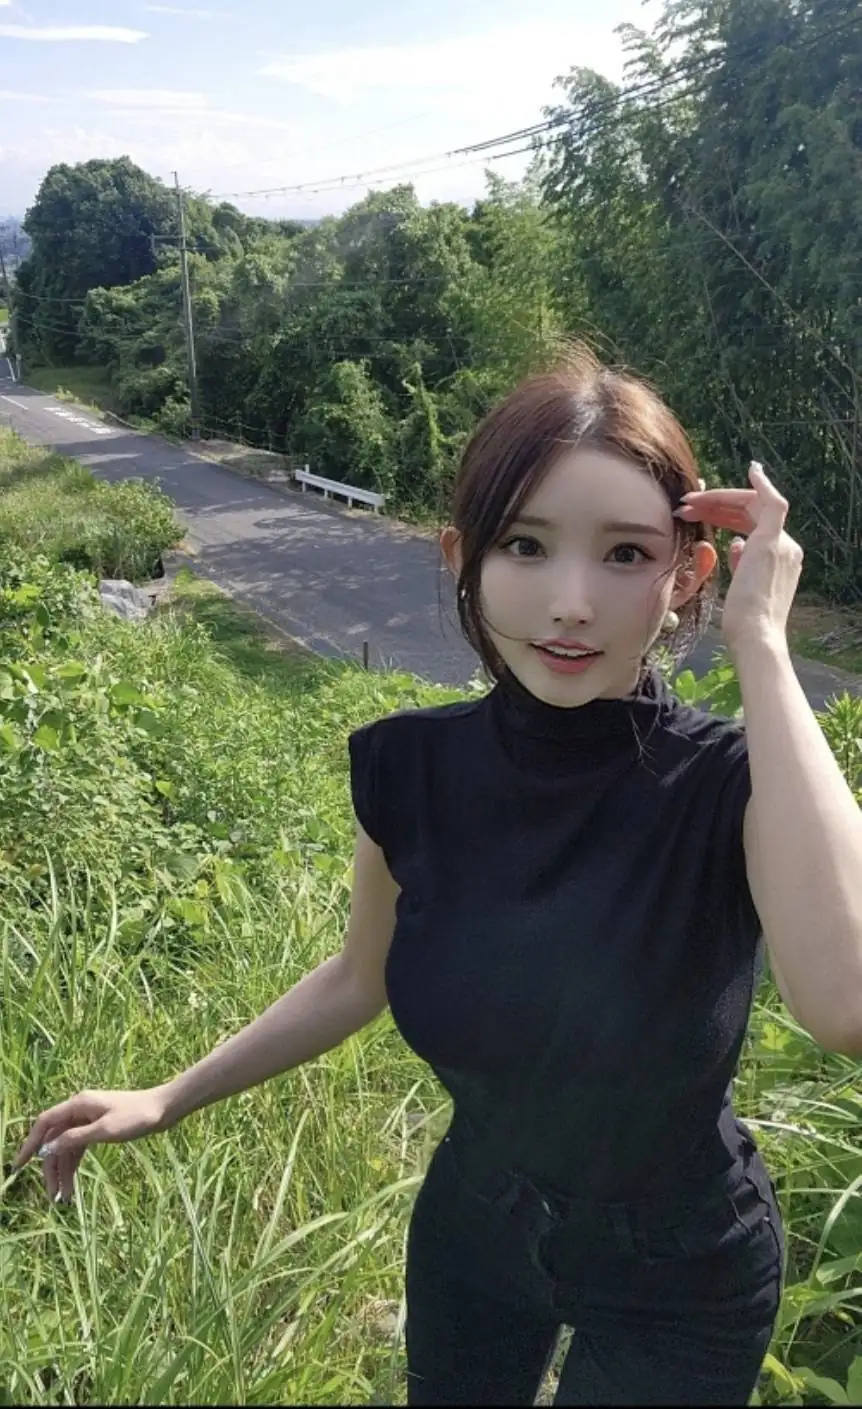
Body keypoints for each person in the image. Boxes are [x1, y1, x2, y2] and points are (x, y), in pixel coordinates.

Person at [14, 345, 791, 1405]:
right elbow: (357, 976)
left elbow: (845, 1000)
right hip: (479, 1222)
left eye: (625, 554)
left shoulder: (732, 782)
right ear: (464, 556)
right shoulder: (410, 766)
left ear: (686, 576)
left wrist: (764, 648)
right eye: (525, 544)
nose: (569, 601)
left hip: (684, 1267)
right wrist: (168, 1095)